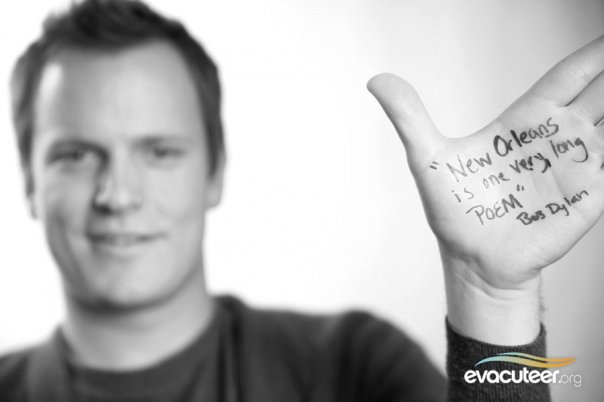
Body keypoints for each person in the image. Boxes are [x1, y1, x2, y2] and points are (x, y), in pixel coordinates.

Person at [1, 0, 602, 400]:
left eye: (159, 151)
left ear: (215, 171)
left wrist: (491, 300)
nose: (118, 195)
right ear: (28, 181)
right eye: (75, 155)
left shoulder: (354, 366)